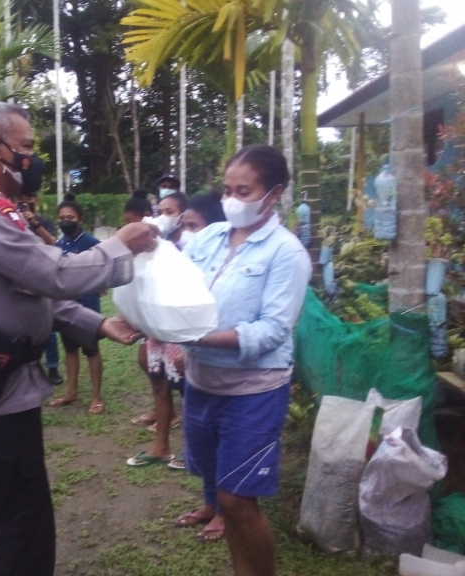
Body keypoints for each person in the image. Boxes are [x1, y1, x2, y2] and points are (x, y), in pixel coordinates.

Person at [0, 101, 157, 576]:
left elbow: (32, 287)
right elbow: (52, 272)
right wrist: (119, 245)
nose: (34, 159)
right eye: (29, 148)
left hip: (3, 392)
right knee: (17, 531)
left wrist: (97, 324)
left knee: (1, 522)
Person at [179, 144, 311, 575]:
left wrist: (203, 336)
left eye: (244, 190)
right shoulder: (207, 239)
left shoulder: (286, 253)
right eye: (227, 189)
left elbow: (274, 328)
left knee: (237, 499)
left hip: (252, 388)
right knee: (221, 493)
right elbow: (173, 287)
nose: (232, 199)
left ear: (273, 194)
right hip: (201, 383)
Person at [127, 191, 188, 467]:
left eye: (171, 212)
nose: (164, 217)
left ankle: (191, 451)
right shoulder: (152, 246)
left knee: (191, 392)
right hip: (156, 328)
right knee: (159, 384)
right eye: (160, 211)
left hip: (182, 330)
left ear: (183, 216)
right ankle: (161, 446)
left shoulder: (190, 245)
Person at [48, 195, 104, 414]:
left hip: (87, 305)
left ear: (79, 218)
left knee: (91, 350)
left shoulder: (90, 242)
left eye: (70, 217)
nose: (66, 221)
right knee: (70, 349)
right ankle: (71, 392)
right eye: (62, 217)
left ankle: (96, 397)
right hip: (64, 305)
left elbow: (104, 266)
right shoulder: (59, 244)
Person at [14, 191, 63, 386]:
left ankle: (52, 368)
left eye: (29, 197)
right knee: (21, 327)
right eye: (21, 198)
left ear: (36, 200)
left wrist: (34, 223)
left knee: (48, 327)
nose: (24, 200)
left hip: (42, 278)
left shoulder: (43, 222)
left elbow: (52, 243)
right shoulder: (9, 222)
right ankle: (29, 368)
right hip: (19, 279)